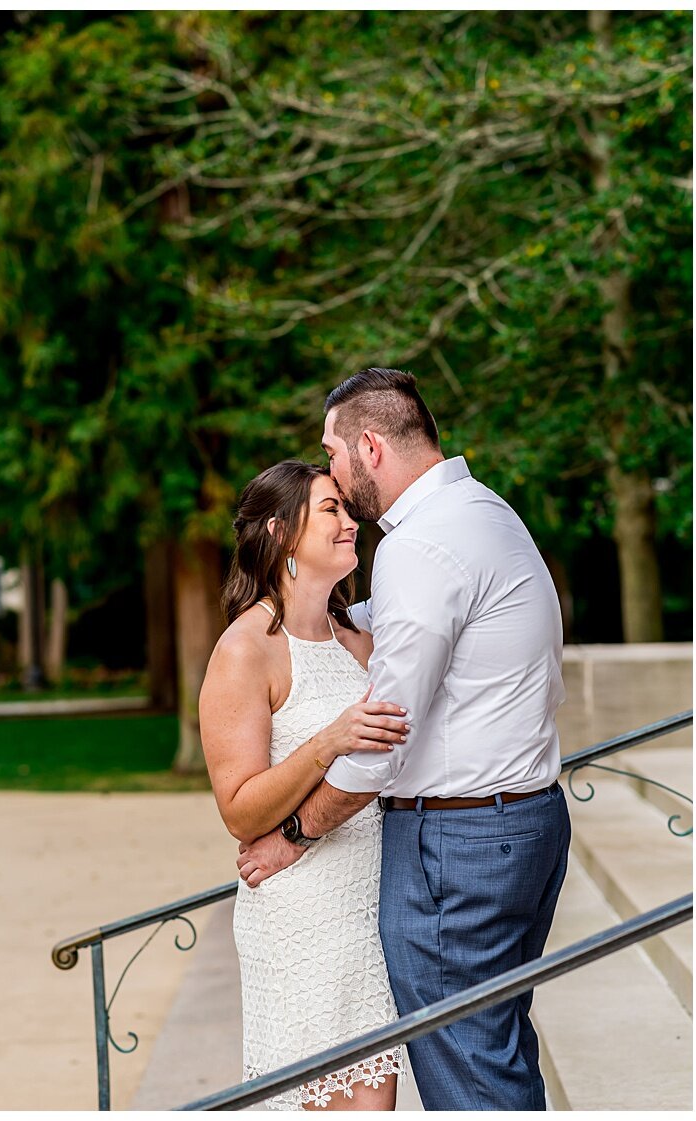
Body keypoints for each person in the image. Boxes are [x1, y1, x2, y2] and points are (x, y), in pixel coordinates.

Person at [236, 368, 571, 1111]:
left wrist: (295, 833)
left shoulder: (422, 547)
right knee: (493, 1050)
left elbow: (382, 736)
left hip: (461, 845)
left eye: (332, 453)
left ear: (369, 447)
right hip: (520, 820)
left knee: (473, 1074)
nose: (328, 469)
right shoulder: (483, 513)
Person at [199, 460, 410, 1110]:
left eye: (349, 510)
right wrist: (328, 740)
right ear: (280, 532)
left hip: (375, 904)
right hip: (300, 915)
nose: (351, 522)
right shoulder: (246, 649)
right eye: (331, 510)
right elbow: (239, 811)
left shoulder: (361, 641)